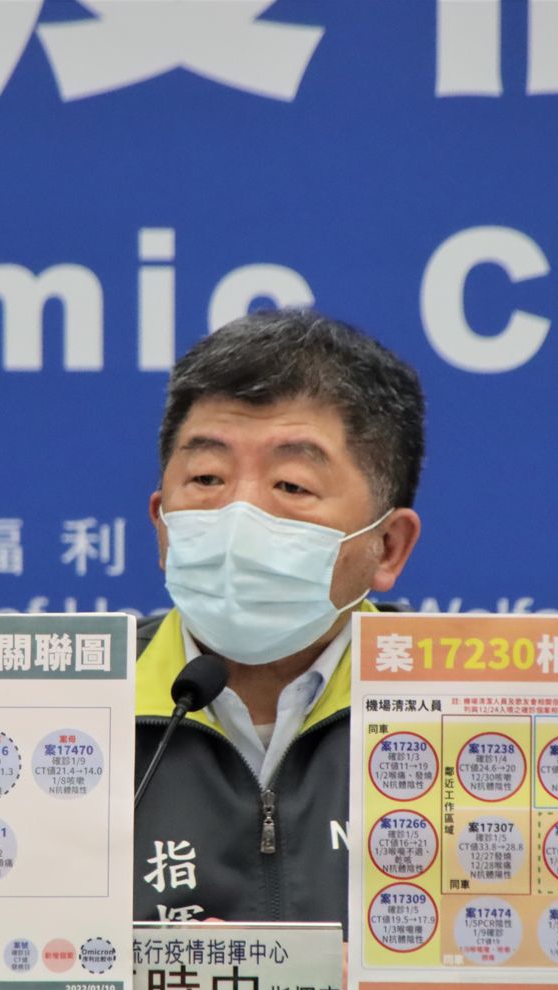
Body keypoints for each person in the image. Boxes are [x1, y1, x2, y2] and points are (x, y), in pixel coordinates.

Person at [132, 307, 425, 930]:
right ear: (162, 525)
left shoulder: (466, 712)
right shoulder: (75, 702)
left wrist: (367, 976)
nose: (240, 514)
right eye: (206, 477)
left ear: (388, 547)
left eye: (291, 486)